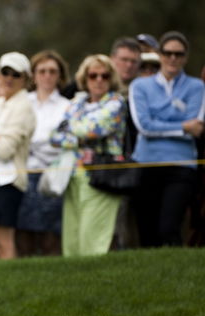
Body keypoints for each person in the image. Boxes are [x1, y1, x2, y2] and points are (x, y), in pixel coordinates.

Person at [129, 31, 205, 247]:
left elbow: (197, 125)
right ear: (160, 55)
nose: (173, 58)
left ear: (185, 57)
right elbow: (144, 126)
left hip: (181, 166)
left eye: (178, 54)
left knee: (169, 228)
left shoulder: (197, 87)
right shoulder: (140, 86)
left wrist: (158, 117)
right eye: (168, 53)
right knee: (147, 230)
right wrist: (182, 125)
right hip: (146, 163)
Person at [51, 54, 127, 257]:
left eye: (105, 75)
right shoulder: (78, 100)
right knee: (72, 241)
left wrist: (73, 127)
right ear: (85, 79)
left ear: (112, 78)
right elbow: (55, 136)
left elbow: (92, 130)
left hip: (100, 176)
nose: (99, 80)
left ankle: (95, 284)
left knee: (92, 241)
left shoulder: (116, 103)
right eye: (93, 75)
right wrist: (81, 133)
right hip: (73, 175)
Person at [0, 52, 36, 259]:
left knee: (3, 240)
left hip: (8, 179)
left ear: (26, 79)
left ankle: (13, 285)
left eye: (16, 74)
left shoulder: (24, 106)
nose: (9, 78)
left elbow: (4, 150)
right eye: (5, 72)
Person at [17, 50, 70, 257]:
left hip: (52, 175)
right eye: (42, 71)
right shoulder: (23, 101)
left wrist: (32, 141)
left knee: (50, 237)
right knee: (24, 236)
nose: (47, 75)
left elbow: (60, 143)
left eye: (52, 71)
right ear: (34, 74)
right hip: (23, 173)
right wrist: (45, 139)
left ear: (60, 75)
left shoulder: (67, 106)